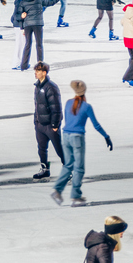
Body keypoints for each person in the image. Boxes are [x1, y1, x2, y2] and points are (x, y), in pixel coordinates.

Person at [54, 78, 112, 207]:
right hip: (77, 138)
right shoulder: (86, 106)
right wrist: (106, 136)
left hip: (65, 136)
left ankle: (57, 190)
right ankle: (75, 196)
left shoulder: (68, 103)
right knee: (79, 168)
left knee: (68, 165)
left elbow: (67, 120)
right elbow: (96, 125)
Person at [32, 62, 64, 181]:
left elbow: (56, 107)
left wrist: (55, 125)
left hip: (51, 126)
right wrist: (36, 121)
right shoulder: (37, 86)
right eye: (35, 71)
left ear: (44, 73)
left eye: (38, 71)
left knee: (59, 149)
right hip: (40, 124)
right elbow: (37, 105)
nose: (36, 73)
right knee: (41, 148)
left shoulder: (51, 87)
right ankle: (45, 170)